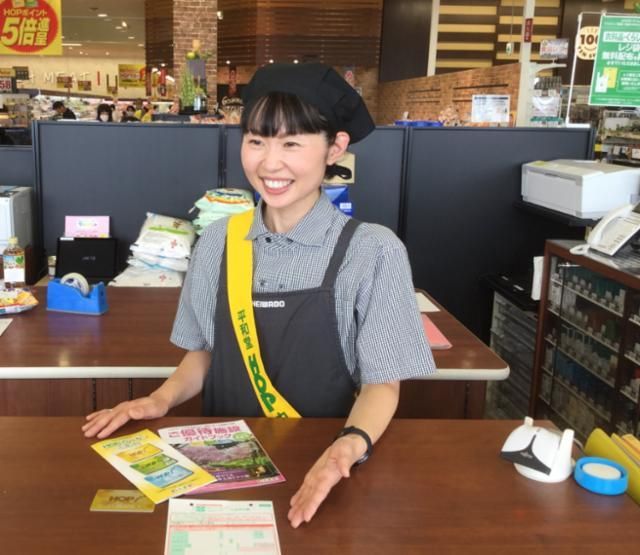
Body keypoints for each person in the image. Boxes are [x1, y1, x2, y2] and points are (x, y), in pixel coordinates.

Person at [82, 63, 435, 528]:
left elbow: (382, 384)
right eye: (256, 141)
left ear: (335, 147)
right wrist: (161, 400)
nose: (269, 164)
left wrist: (347, 447)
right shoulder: (218, 240)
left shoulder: (372, 250)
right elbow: (204, 353)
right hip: (225, 464)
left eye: (292, 143)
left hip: (328, 466)